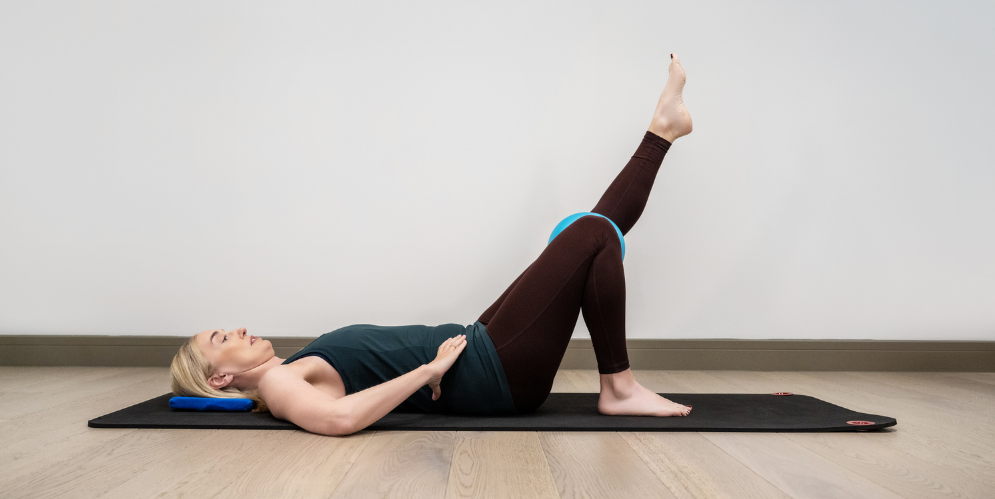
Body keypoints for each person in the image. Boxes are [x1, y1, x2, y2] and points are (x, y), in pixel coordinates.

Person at [170, 54, 695, 436]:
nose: (236, 328)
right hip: (492, 373)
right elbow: (341, 419)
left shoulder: (293, 370)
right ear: (221, 377)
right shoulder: (280, 386)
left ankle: (662, 131)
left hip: (482, 346)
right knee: (591, 235)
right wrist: (428, 372)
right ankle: (619, 387)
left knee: (576, 233)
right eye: (221, 336)